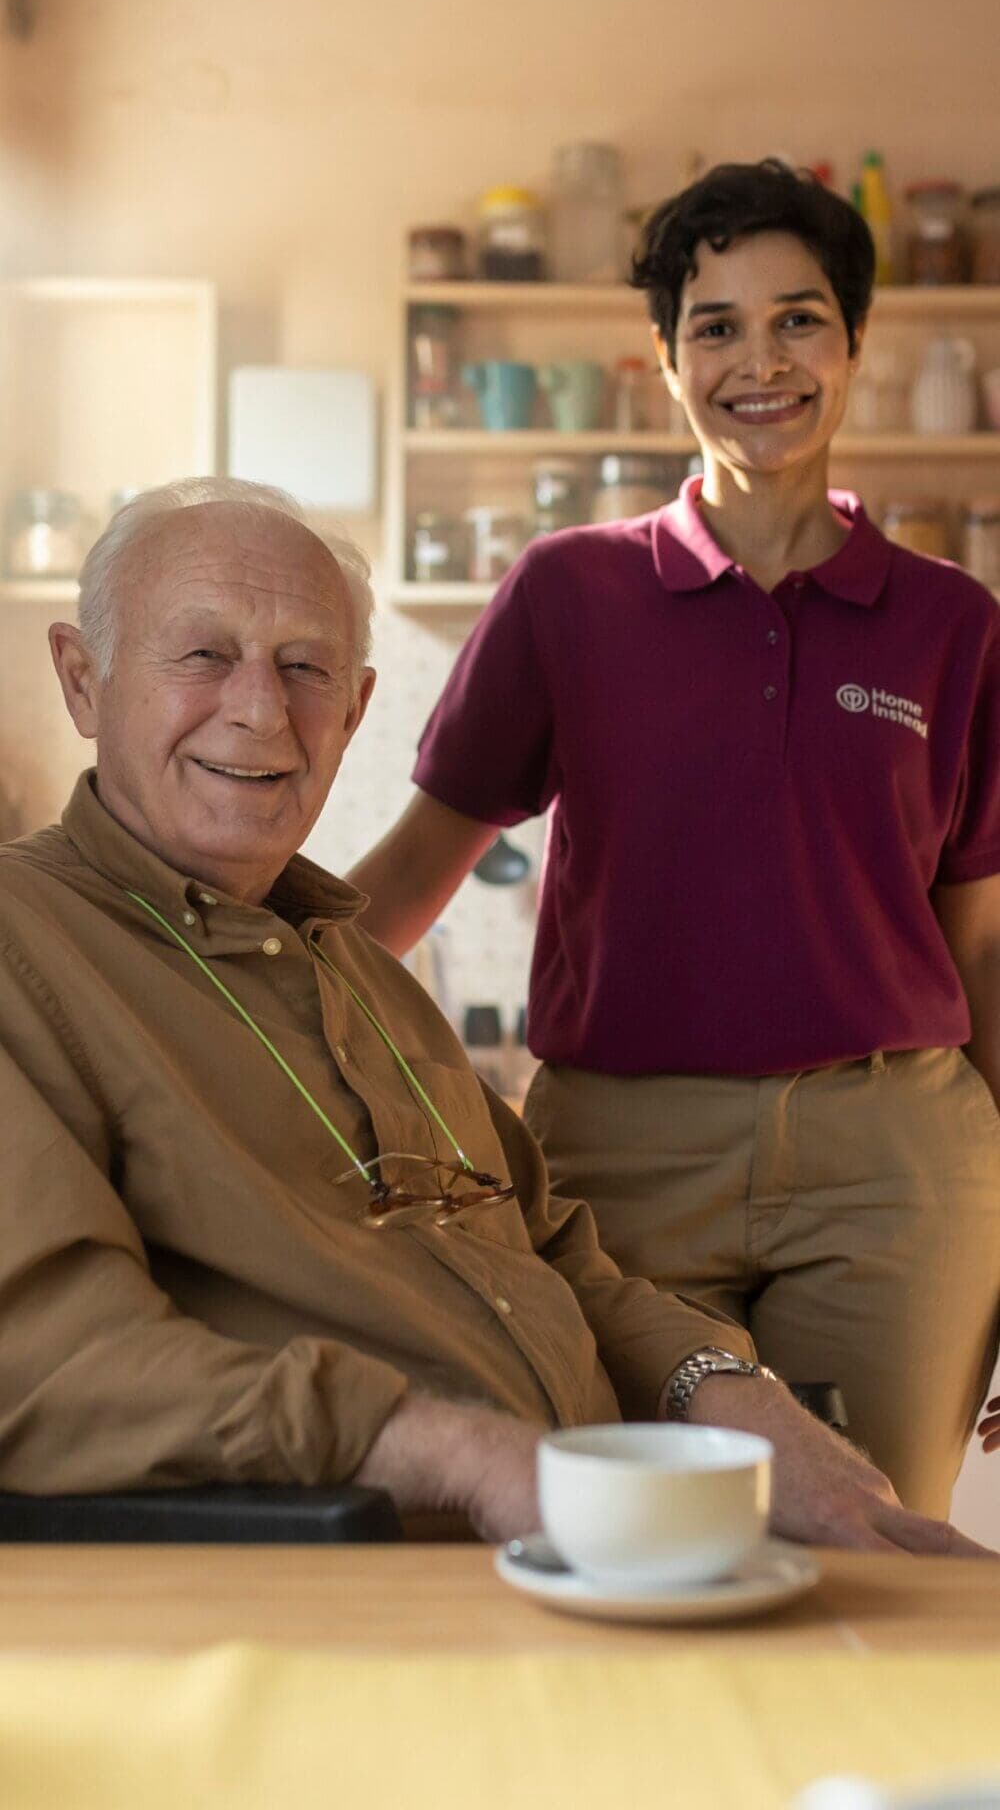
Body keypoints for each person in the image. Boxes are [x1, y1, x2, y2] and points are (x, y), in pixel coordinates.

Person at [0, 474, 987, 1557]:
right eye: (202, 655)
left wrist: (735, 1404)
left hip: (597, 1551)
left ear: (357, 711)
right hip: (378, 1591)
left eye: (305, 668)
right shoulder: (25, 948)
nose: (261, 710)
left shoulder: (358, 971)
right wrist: (462, 1458)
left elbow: (557, 1253)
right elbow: (53, 1367)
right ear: (81, 679)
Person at [349, 161, 1000, 1522]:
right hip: (621, 1169)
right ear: (664, 361)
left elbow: (980, 949)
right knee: (641, 1540)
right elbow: (407, 882)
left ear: (855, 345)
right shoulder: (566, 593)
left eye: (799, 320)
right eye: (716, 325)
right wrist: (200, 986)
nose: (760, 360)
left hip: (898, 1167)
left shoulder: (953, 624)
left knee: (879, 1551)